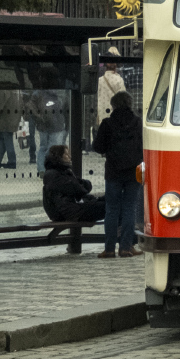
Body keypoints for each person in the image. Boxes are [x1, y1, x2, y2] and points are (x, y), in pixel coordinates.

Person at [92, 91, 144, 258]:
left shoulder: (107, 124)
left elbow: (98, 147)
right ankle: (126, 247)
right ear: (130, 104)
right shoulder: (137, 123)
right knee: (130, 208)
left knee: (112, 209)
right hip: (133, 172)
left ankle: (109, 249)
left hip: (113, 171)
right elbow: (144, 146)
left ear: (113, 105)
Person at [41, 144, 105, 222]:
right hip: (68, 212)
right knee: (109, 206)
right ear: (58, 156)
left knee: (109, 201)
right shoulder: (52, 174)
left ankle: (118, 229)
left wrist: (80, 185)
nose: (69, 157)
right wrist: (80, 185)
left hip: (72, 208)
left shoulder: (62, 171)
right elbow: (76, 188)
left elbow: (80, 186)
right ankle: (117, 231)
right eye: (66, 154)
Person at [30, 69, 68, 175]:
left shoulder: (37, 93)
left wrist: (38, 118)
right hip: (57, 124)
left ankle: (41, 168)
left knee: (43, 147)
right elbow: (66, 107)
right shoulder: (60, 92)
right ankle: (50, 168)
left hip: (43, 124)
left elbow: (31, 106)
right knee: (53, 148)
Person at [0, 84, 23, 169]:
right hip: (10, 121)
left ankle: (9, 161)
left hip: (2, 122)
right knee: (5, 141)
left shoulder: (4, 93)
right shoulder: (17, 93)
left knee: (3, 142)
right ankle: (0, 160)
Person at [96, 48, 127, 131]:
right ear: (115, 66)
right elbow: (124, 99)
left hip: (102, 115)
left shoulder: (100, 80)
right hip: (115, 117)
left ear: (106, 66)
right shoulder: (119, 80)